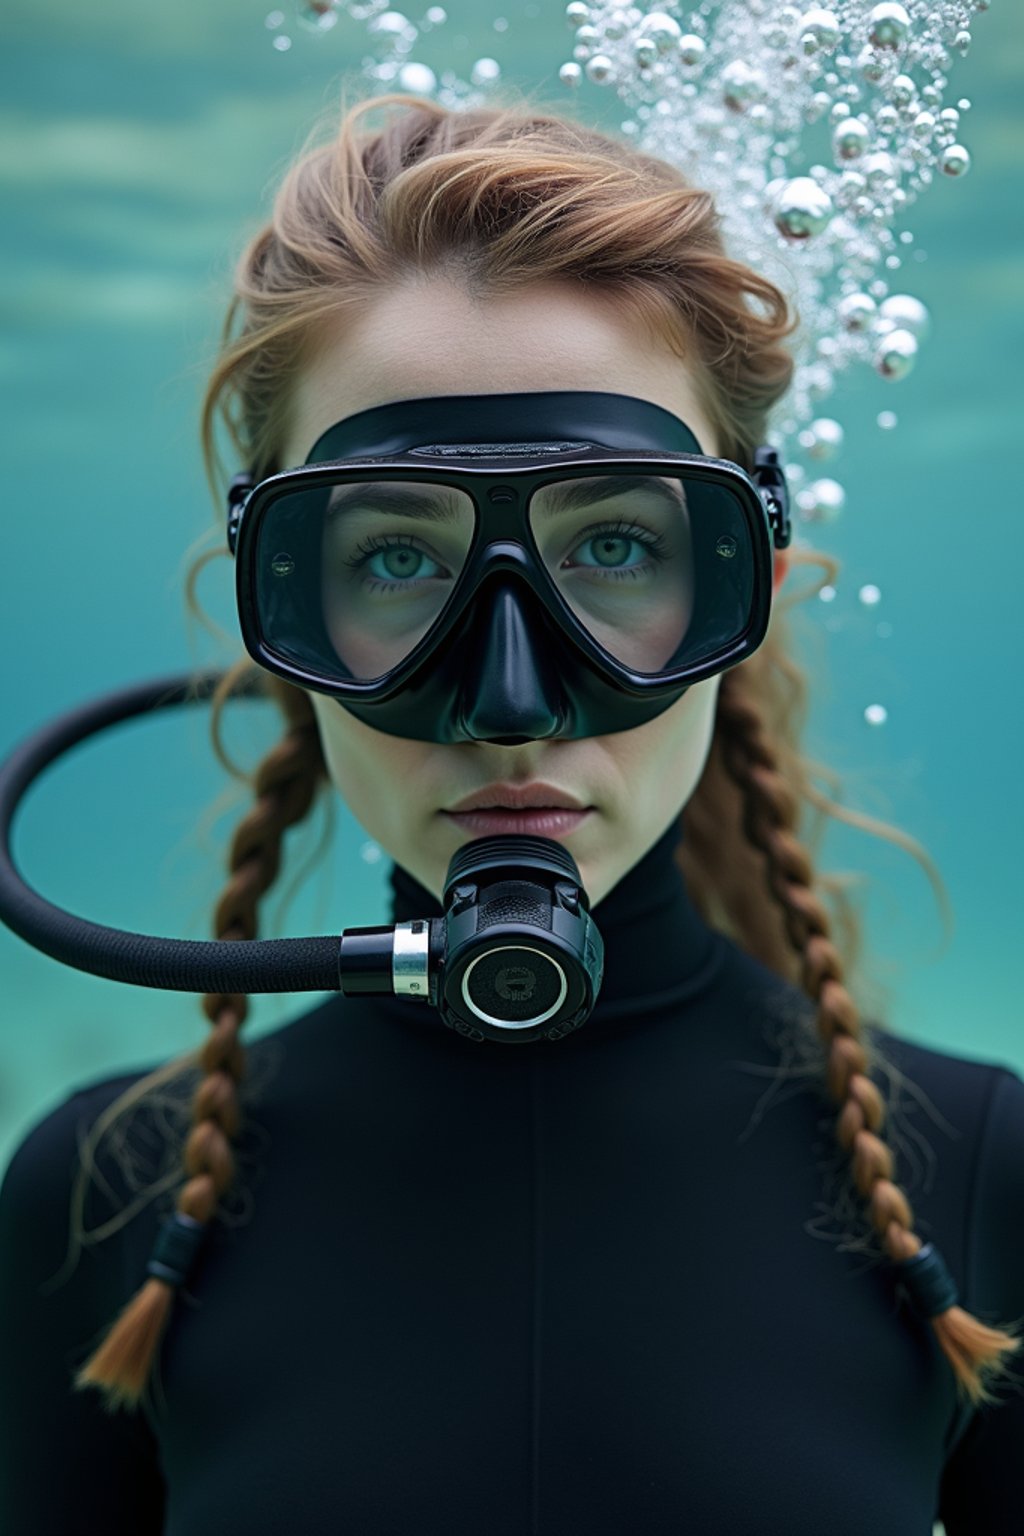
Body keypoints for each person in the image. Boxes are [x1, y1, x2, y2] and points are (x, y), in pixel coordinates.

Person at [1, 93, 1021, 1536]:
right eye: (396, 561)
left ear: (749, 594)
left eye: (615, 543)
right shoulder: (99, 1197)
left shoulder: (987, 1171)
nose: (512, 704)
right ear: (281, 609)